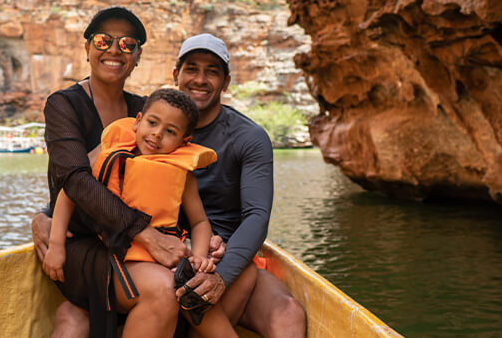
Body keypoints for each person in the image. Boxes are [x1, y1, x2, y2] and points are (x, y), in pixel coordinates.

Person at [35, 33, 307, 337]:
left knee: (288, 312)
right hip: (147, 254)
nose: (200, 79)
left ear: (226, 82)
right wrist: (43, 217)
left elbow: (256, 216)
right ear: (176, 74)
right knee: (75, 316)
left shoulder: (248, 138)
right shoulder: (142, 127)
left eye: (212, 71)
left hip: (218, 258)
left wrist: (217, 271)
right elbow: (85, 184)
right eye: (191, 69)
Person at [33, 6, 194, 338]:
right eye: (104, 40)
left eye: (127, 44)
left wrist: (199, 235)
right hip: (84, 246)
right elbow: (74, 180)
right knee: (164, 290)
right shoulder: (64, 105)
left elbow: (173, 176)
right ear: (88, 47)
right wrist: (147, 234)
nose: (114, 50)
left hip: (134, 247)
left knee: (182, 283)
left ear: (137, 57)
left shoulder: (146, 112)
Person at [44, 88, 250, 336]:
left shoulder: (181, 174)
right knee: (172, 287)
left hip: (163, 258)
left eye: (170, 132)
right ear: (139, 120)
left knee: (195, 291)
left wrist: (198, 257)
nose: (157, 135)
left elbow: (199, 222)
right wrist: (56, 245)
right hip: (115, 254)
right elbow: (70, 193)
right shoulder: (111, 158)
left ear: (184, 141)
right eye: (152, 123)